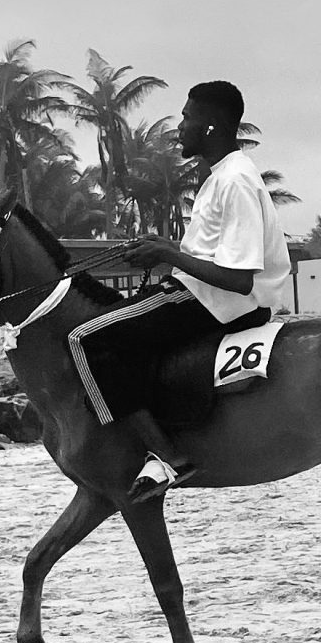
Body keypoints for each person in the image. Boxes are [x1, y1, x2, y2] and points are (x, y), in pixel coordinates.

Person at [67, 80, 293, 502]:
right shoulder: (221, 176)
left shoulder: (235, 181)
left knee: (84, 337)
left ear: (210, 126)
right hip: (208, 295)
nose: (180, 128)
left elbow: (239, 277)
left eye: (187, 118)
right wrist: (165, 251)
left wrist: (169, 253)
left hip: (218, 302)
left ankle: (165, 455)